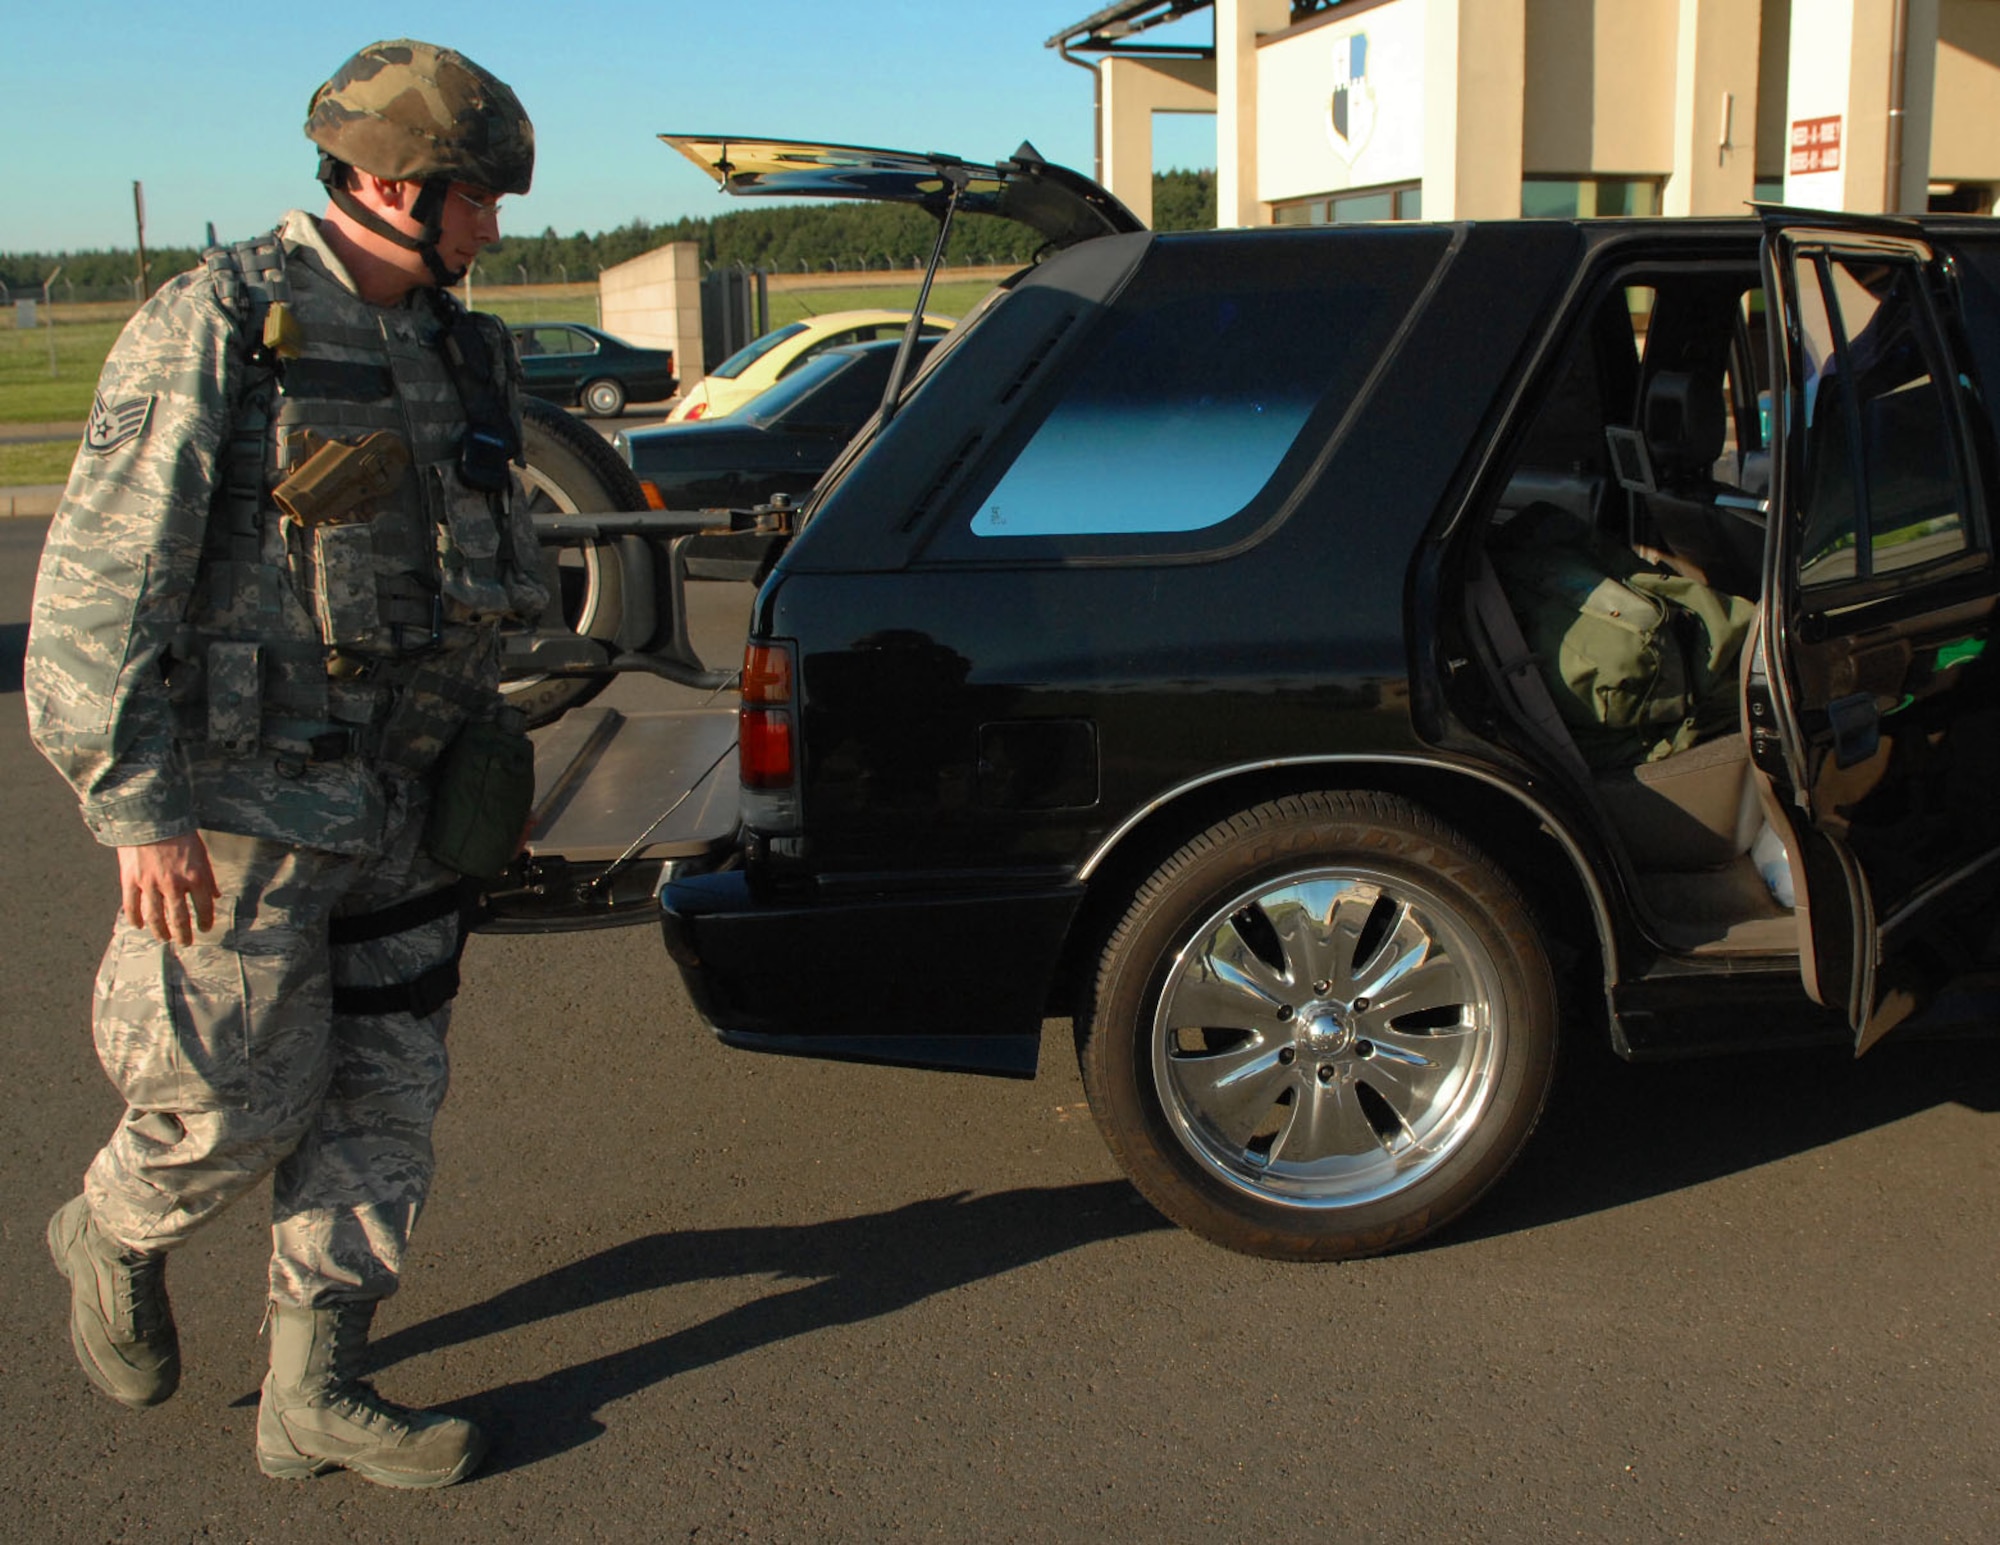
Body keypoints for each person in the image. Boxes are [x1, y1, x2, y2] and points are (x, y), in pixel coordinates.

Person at [26, 39, 547, 1490]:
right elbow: (98, 589)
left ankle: (317, 1387)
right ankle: (115, 1225)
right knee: (232, 1096)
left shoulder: (467, 348)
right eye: (473, 199)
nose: (491, 228)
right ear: (389, 182)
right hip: (243, 801)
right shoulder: (221, 325)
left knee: (387, 1092)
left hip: (409, 797)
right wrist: (136, 801)